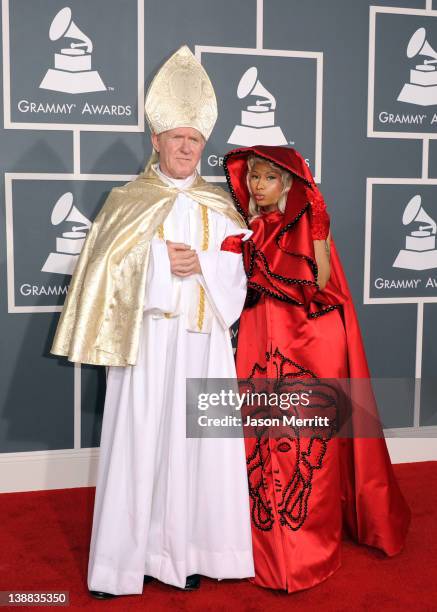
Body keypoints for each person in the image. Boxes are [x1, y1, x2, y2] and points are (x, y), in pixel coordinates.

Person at [50, 46, 254, 597]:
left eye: (195, 140)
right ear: (156, 141)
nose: (186, 148)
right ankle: (121, 564)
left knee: (197, 448)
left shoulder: (223, 205)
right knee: (136, 444)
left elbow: (240, 276)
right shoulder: (125, 201)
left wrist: (205, 263)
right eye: (177, 138)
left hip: (202, 343)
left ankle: (186, 554)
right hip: (144, 339)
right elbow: (105, 271)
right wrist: (161, 266)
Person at [220, 145, 411, 593]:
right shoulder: (246, 227)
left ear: (289, 183)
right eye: (253, 178)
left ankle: (306, 549)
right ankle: (262, 546)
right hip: (259, 338)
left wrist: (259, 264)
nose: (258, 186)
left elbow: (319, 282)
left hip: (307, 342)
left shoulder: (311, 221)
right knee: (258, 437)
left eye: (268, 178)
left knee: (305, 446)